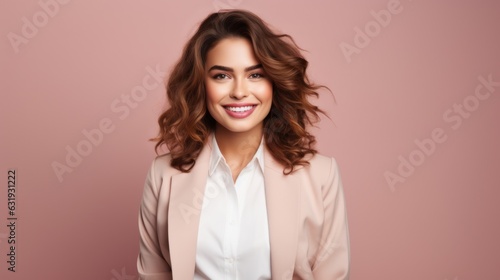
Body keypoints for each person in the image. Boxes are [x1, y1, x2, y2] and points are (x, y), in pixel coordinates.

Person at [137, 9, 350, 280]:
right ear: (200, 85)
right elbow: (154, 274)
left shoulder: (320, 175)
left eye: (255, 75)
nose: (239, 92)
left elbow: (331, 273)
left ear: (274, 82)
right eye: (221, 76)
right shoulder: (163, 175)